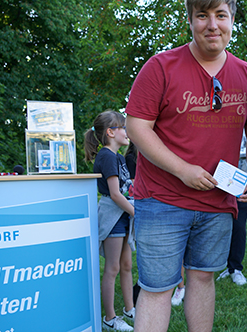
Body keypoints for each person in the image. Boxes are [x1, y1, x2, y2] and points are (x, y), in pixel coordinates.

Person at [124, 0, 247, 330]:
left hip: (218, 202)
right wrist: (182, 169)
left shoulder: (246, 74)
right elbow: (137, 127)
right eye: (202, 15)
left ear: (232, 20)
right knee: (158, 289)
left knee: (203, 280)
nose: (212, 25)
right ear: (190, 20)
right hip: (161, 200)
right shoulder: (161, 66)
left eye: (221, 15)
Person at [84, 110, 135, 332]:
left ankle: (129, 309)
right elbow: (115, 194)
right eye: (123, 127)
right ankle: (110, 318)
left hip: (123, 215)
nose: (127, 131)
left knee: (126, 265)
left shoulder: (119, 157)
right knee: (112, 268)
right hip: (113, 216)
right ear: (111, 132)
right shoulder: (106, 156)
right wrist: (136, 212)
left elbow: (125, 186)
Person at [125, 143, 187, 306]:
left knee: (175, 251)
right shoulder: (131, 157)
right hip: (148, 207)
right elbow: (134, 183)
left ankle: (180, 287)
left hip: (168, 204)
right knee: (152, 260)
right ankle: (151, 288)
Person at [217, 134, 247, 285]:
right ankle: (222, 265)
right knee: (217, 224)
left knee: (238, 226)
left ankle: (235, 268)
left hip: (240, 181)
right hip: (219, 178)